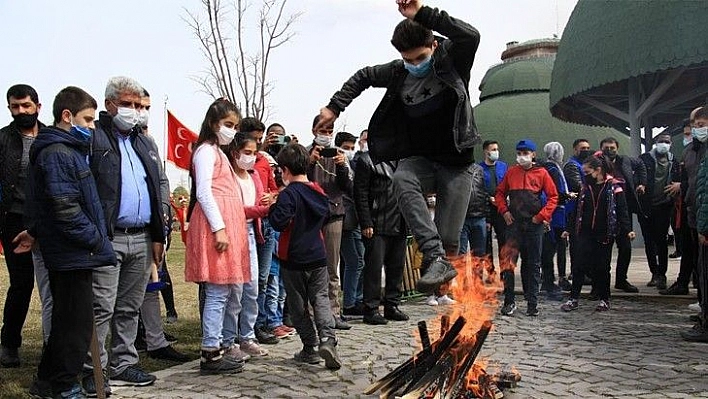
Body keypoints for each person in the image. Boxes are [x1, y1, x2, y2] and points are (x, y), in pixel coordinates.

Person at [313, 0, 481, 294]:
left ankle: (442, 261)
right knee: (402, 177)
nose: (415, 65)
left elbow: (471, 35)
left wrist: (423, 14)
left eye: (420, 57)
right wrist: (334, 107)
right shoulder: (398, 72)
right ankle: (433, 255)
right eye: (408, 60)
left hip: (456, 164)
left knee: (449, 238)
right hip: (421, 160)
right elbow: (363, 75)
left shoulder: (452, 61)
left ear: (433, 45)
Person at [23, 86, 117, 399]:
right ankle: (62, 384)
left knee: (67, 320)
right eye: (87, 120)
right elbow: (65, 210)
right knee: (76, 326)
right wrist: (96, 239)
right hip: (72, 250)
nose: (92, 127)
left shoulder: (65, 151)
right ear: (67, 116)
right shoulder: (58, 153)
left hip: (72, 250)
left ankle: (47, 382)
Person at [85, 77, 166, 392]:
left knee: (129, 306)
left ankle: (124, 363)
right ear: (110, 105)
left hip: (142, 236)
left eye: (137, 105)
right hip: (108, 236)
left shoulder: (144, 142)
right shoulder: (95, 139)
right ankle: (94, 370)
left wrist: (159, 235)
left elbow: (155, 189)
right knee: (102, 305)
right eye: (127, 104)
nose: (134, 111)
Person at [184, 98, 250, 374]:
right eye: (227, 124)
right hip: (216, 224)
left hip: (226, 221)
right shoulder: (206, 152)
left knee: (226, 291)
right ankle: (211, 351)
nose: (232, 130)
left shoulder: (220, 153)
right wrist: (219, 227)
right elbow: (203, 192)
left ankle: (220, 344)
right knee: (217, 291)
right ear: (214, 124)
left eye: (235, 126)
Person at [269, 143, 342, 370]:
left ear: (285, 170)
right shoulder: (317, 190)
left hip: (293, 258)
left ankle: (310, 347)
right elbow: (328, 213)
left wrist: (273, 205)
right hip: (318, 255)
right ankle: (328, 339)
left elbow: (278, 222)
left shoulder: (288, 194)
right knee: (320, 299)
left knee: (298, 306)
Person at [133, 89, 187, 362]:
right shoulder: (105, 139)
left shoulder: (149, 143)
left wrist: (164, 216)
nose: (140, 112)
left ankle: (156, 340)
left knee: (152, 286)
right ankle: (126, 347)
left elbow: (161, 182)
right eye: (134, 106)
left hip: (151, 229)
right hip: (121, 231)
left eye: (145, 107)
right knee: (122, 295)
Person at [0, 84, 43, 368]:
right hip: (13, 221)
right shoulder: (3, 139)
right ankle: (9, 344)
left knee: (55, 285)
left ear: (37, 106)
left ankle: (57, 343)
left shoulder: (52, 138)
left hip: (47, 221)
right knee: (22, 284)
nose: (21, 111)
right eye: (15, 107)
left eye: (26, 106)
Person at [560, 154, 634, 312]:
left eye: (587, 172)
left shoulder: (615, 187)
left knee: (602, 267)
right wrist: (569, 228)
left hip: (604, 232)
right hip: (584, 231)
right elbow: (577, 210)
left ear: (598, 170)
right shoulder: (585, 188)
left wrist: (627, 230)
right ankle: (573, 298)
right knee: (579, 266)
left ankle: (604, 298)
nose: (585, 176)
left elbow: (622, 210)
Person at [496, 140, 558, 317]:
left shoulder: (542, 173)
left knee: (533, 264)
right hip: (513, 224)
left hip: (534, 225)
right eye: (519, 152)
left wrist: (542, 216)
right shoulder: (511, 172)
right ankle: (509, 302)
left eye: (526, 152)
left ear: (533, 154)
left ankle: (532, 303)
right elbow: (500, 193)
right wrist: (504, 211)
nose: (522, 156)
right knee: (508, 264)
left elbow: (553, 196)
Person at [226, 132, 273, 357]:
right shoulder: (228, 177)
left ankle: (247, 336)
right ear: (235, 153)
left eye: (254, 153)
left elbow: (262, 198)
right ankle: (228, 339)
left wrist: (269, 199)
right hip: (233, 233)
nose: (251, 158)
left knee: (252, 288)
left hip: (252, 234)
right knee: (234, 290)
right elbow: (236, 208)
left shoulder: (253, 175)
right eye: (247, 153)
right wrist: (264, 209)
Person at [307, 117, 353, 330]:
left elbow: (347, 187)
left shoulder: (339, 155)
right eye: (321, 129)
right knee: (311, 267)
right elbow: (299, 182)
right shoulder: (305, 152)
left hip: (334, 213)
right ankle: (311, 312)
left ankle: (334, 312)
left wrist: (342, 167)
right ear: (313, 129)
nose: (326, 133)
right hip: (311, 216)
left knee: (332, 267)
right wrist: (310, 162)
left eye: (329, 130)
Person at [354, 150, 409, 325]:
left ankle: (392, 305)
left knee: (397, 266)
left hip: (399, 220)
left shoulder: (404, 160)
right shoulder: (367, 159)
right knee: (374, 269)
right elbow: (360, 193)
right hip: (377, 223)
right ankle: (371, 309)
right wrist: (366, 222)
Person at [239, 117, 280, 345]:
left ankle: (260, 323)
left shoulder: (264, 161)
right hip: (246, 222)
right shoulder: (237, 160)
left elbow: (276, 189)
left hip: (265, 223)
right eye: (253, 139)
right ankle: (243, 328)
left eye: (260, 138)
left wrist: (272, 196)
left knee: (262, 279)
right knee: (243, 281)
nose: (258, 143)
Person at [600, 137, 647, 293]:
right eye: (606, 147)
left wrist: (641, 183)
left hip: (623, 211)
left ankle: (621, 279)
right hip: (604, 213)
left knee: (625, 247)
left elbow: (641, 165)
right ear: (601, 148)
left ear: (617, 148)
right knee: (603, 250)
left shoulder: (625, 161)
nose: (610, 150)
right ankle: (600, 282)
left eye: (612, 147)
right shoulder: (597, 163)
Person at [638, 134, 681, 291]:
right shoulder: (644, 159)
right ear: (656, 143)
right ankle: (654, 273)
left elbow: (679, 178)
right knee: (648, 241)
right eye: (661, 142)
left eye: (667, 142)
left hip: (664, 206)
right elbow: (637, 175)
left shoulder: (673, 161)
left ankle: (662, 274)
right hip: (646, 206)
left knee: (661, 241)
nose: (664, 144)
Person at [680, 107, 708, 342]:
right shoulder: (692, 150)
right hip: (695, 213)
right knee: (700, 268)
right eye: (694, 124)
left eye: (702, 124)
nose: (697, 129)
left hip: (704, 219)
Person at [336, 131, 366, 317]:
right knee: (354, 261)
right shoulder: (335, 165)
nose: (349, 151)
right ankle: (349, 303)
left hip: (355, 218)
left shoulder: (353, 164)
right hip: (343, 218)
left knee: (359, 260)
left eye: (352, 148)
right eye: (346, 148)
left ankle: (355, 299)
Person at [540, 142, 571, 299]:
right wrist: (566, 196)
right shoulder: (552, 169)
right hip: (555, 213)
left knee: (555, 246)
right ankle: (550, 279)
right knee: (553, 246)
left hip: (557, 212)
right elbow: (555, 192)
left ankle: (551, 278)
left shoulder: (552, 168)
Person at [563, 138, 594, 291]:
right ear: (575, 149)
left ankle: (585, 271)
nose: (586, 150)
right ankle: (577, 272)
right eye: (582, 148)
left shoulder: (586, 165)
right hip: (575, 209)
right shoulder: (572, 166)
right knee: (576, 244)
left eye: (588, 147)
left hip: (585, 209)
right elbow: (578, 185)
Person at [479, 140, 508, 271]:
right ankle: (490, 272)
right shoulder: (479, 169)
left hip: (501, 208)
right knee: (486, 243)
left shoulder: (503, 166)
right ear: (486, 151)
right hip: (485, 209)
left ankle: (504, 272)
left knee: (503, 241)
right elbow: (477, 188)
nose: (496, 152)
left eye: (497, 149)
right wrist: (488, 197)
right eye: (493, 149)